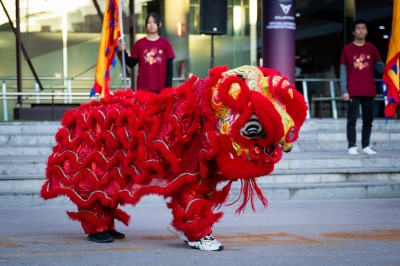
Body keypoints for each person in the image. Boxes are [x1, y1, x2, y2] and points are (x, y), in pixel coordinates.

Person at [340, 19, 385, 155]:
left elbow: (380, 66)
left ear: (366, 31)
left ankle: (366, 146)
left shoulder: (371, 48)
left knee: (368, 120)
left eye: (363, 28)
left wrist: (392, 66)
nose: (361, 30)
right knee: (352, 120)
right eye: (358, 28)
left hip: (369, 90)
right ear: (354, 32)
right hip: (353, 90)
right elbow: (343, 69)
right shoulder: (347, 49)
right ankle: (351, 146)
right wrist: (344, 90)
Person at [119, 13, 175, 93]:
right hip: (143, 89)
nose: (151, 25)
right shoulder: (139, 44)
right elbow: (131, 63)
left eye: (154, 22)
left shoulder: (166, 44)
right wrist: (123, 52)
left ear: (159, 24)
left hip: (161, 88)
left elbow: (170, 69)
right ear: (145, 25)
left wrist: (168, 89)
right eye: (149, 22)